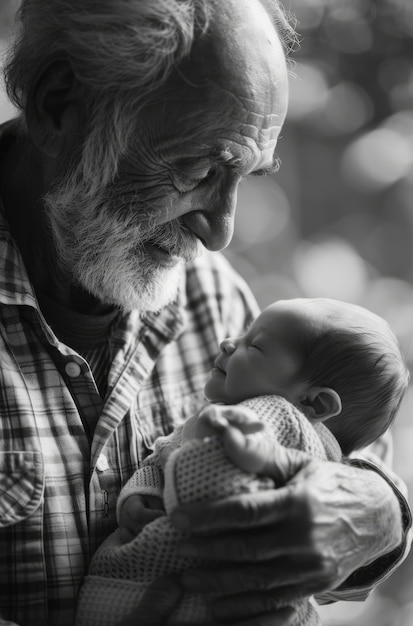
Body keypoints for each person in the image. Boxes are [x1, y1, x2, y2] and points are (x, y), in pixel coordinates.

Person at [0, 1, 411, 625]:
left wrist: (381, 511)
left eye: (247, 176)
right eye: (201, 166)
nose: (221, 232)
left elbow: (332, 430)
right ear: (61, 104)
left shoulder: (206, 292)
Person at [75, 297, 409, 625]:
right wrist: (143, 492)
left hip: (163, 590)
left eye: (255, 346)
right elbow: (165, 455)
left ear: (314, 403)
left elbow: (211, 489)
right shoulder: (280, 425)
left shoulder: (272, 414)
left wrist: (207, 439)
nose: (228, 342)